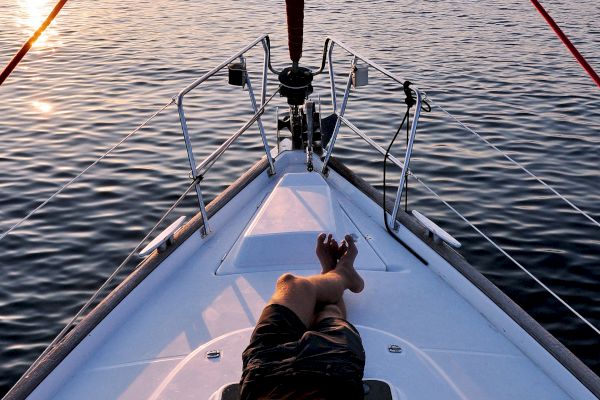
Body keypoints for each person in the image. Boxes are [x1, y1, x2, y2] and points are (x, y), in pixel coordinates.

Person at [239, 233, 366, 400]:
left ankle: (335, 274)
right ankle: (341, 274)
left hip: (263, 378)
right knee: (328, 313)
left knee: (291, 283)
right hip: (328, 381)